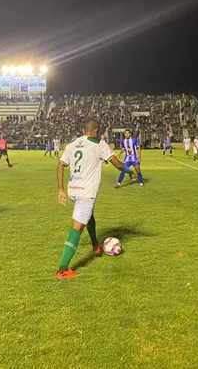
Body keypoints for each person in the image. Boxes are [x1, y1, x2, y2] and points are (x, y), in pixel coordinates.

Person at [56, 119, 134, 279]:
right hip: (86, 194)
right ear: (96, 130)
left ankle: (95, 246)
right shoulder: (99, 144)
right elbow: (118, 165)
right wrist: (130, 171)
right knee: (76, 229)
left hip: (73, 191)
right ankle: (63, 269)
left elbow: (60, 166)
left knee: (89, 216)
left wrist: (61, 190)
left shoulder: (72, 144)